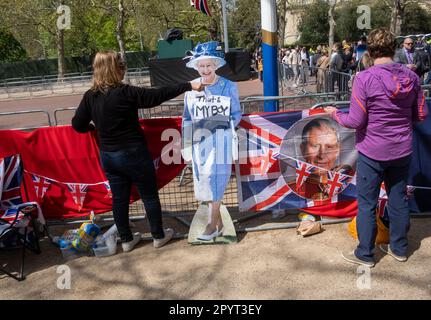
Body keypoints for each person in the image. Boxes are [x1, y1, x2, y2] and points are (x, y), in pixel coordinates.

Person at [71, 50, 204, 252]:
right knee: (149, 196)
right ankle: (158, 236)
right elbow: (157, 95)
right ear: (116, 70)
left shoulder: (90, 96)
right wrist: (188, 85)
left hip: (108, 156)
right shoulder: (127, 92)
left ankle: (126, 240)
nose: (124, 68)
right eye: (122, 65)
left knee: (119, 198)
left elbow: (78, 125)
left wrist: (94, 128)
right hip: (134, 153)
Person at [325, 28, 428, 267]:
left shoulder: (364, 78)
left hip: (372, 151)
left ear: (369, 51)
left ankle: (365, 254)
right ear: (394, 48)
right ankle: (399, 249)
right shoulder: (412, 78)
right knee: (398, 199)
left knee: (368, 203)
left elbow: (355, 121)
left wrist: (335, 114)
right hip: (402, 149)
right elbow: (420, 114)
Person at [182, 41, 242, 241]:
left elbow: (236, 114)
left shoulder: (228, 86)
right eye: (201, 65)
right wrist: (187, 147)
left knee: (217, 180)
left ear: (215, 65)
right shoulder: (190, 90)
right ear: (196, 66)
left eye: (208, 65)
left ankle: (211, 226)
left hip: (221, 141)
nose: (205, 69)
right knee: (204, 182)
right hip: (200, 143)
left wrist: (220, 124)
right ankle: (218, 222)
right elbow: (187, 118)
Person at [287, 117, 353, 201]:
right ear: (303, 149)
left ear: (337, 150)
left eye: (329, 147)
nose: (322, 155)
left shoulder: (351, 181)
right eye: (315, 146)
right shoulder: (290, 190)